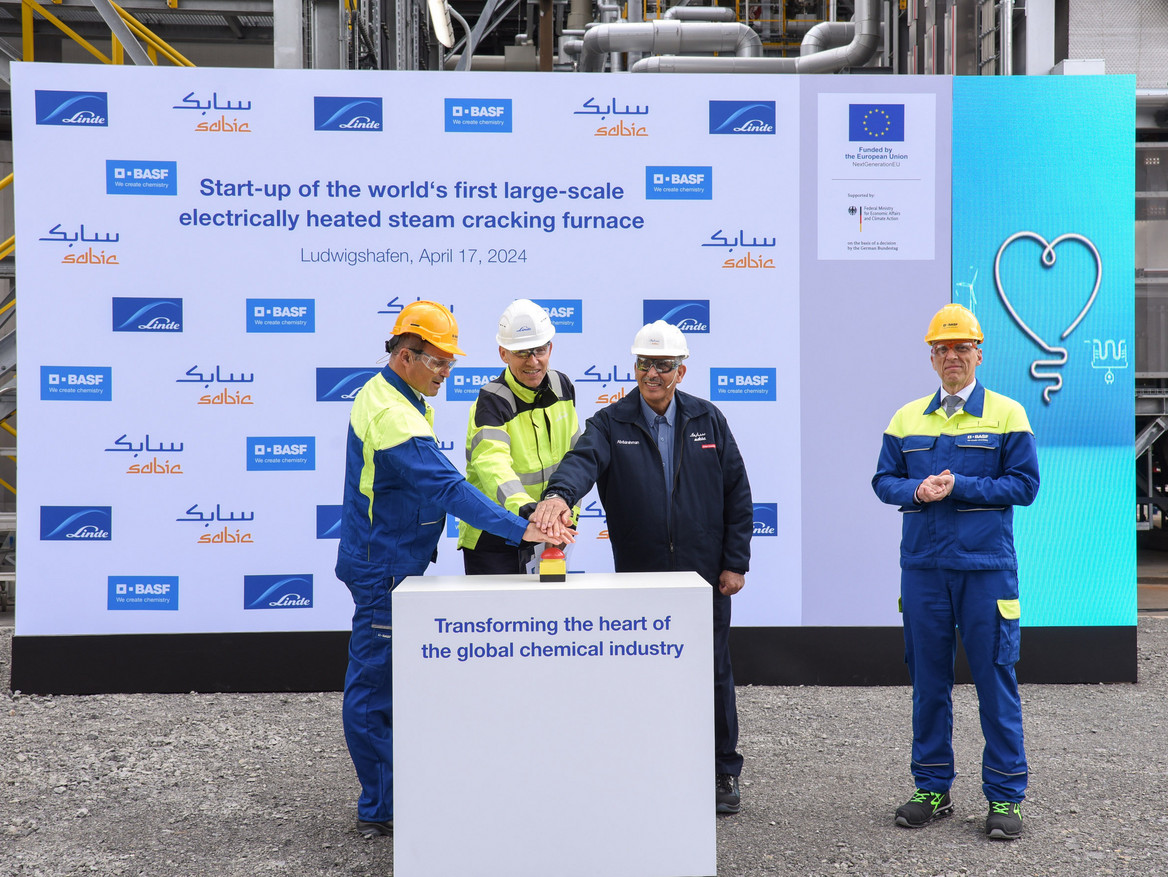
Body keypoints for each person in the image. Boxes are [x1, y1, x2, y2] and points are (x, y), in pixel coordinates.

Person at [334, 300, 574, 839]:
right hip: (382, 567)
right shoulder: (393, 413)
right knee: (374, 688)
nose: (447, 373)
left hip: (395, 561)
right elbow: (447, 487)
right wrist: (523, 527)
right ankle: (380, 807)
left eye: (450, 362)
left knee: (392, 683)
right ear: (404, 355)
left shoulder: (405, 395)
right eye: (439, 362)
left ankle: (394, 792)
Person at [530, 319, 753, 815]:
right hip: (641, 574)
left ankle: (722, 772)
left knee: (714, 672)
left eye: (663, 365)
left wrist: (735, 562)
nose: (652, 373)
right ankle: (651, 763)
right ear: (634, 368)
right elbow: (581, 461)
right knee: (646, 672)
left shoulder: (708, 419)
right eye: (644, 364)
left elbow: (738, 493)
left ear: (681, 370)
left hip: (703, 576)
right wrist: (559, 496)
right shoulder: (612, 423)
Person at [872, 302, 1040, 841]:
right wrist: (916, 491)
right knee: (929, 682)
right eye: (942, 349)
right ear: (931, 357)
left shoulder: (1008, 414)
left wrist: (961, 486)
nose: (952, 357)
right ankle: (932, 787)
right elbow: (883, 481)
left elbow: (1024, 486)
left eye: (961, 348)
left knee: (995, 679)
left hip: (986, 570)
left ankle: (1007, 796)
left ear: (978, 354)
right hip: (923, 569)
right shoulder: (906, 418)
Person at [458, 299, 581, 574]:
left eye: (539, 350)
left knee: (544, 616)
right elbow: (493, 467)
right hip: (496, 535)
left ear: (551, 348)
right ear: (504, 353)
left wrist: (565, 512)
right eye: (522, 352)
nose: (533, 361)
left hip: (549, 531)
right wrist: (529, 512)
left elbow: (575, 456)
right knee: (495, 618)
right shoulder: (491, 400)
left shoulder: (563, 385)